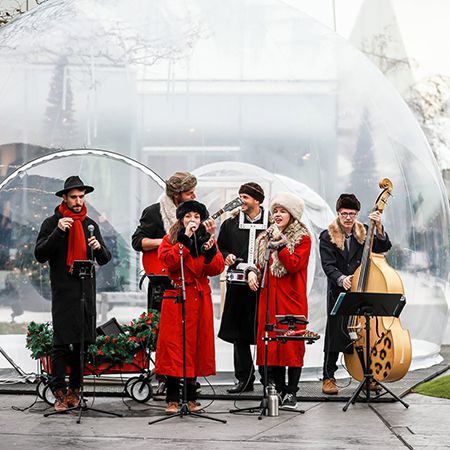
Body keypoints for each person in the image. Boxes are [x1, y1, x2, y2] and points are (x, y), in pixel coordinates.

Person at [34, 176, 111, 411]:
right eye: (74, 197)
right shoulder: (52, 223)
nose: (78, 201)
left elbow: (105, 259)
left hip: (85, 291)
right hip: (63, 292)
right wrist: (58, 232)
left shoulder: (90, 224)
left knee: (81, 344)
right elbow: (40, 254)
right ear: (64, 198)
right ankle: (58, 391)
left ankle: (75, 391)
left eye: (81, 197)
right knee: (61, 344)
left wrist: (99, 248)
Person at [155, 200, 225, 414]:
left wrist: (211, 248)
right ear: (181, 219)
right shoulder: (171, 239)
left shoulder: (206, 240)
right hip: (177, 298)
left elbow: (216, 268)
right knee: (175, 347)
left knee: (195, 346)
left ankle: (192, 397)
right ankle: (173, 398)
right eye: (188, 216)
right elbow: (168, 261)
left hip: (199, 298)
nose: (192, 220)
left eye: (196, 216)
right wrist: (184, 241)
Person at [131, 171, 197, 397]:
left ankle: (188, 379)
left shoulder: (193, 214)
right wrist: (166, 242)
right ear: (177, 195)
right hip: (162, 281)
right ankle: (164, 377)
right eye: (189, 193)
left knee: (187, 332)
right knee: (161, 333)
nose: (194, 195)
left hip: (187, 281)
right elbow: (137, 241)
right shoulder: (154, 212)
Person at [319, 193, 391, 395]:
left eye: (352, 214)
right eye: (344, 214)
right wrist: (342, 279)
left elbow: (383, 247)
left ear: (357, 214)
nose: (348, 218)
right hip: (339, 291)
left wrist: (379, 228)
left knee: (364, 333)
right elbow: (328, 265)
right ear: (338, 214)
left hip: (362, 290)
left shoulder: (365, 231)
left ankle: (367, 375)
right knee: (335, 333)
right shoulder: (327, 236)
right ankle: (328, 377)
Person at [248, 192, 311, 410]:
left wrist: (281, 244)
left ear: (292, 215)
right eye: (275, 211)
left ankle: (291, 392)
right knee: (270, 343)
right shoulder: (264, 238)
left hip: (291, 300)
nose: (277, 214)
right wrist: (252, 273)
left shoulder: (302, 238)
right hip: (268, 299)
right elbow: (259, 264)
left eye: (282, 211)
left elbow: (293, 265)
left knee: (291, 346)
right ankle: (274, 388)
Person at [217, 182, 268, 393]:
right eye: (240, 196)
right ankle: (244, 379)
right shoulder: (230, 223)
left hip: (263, 285)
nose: (241, 201)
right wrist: (226, 255)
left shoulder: (271, 222)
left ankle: (268, 379)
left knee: (264, 332)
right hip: (238, 284)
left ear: (257, 200)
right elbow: (221, 247)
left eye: (246, 197)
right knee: (239, 333)